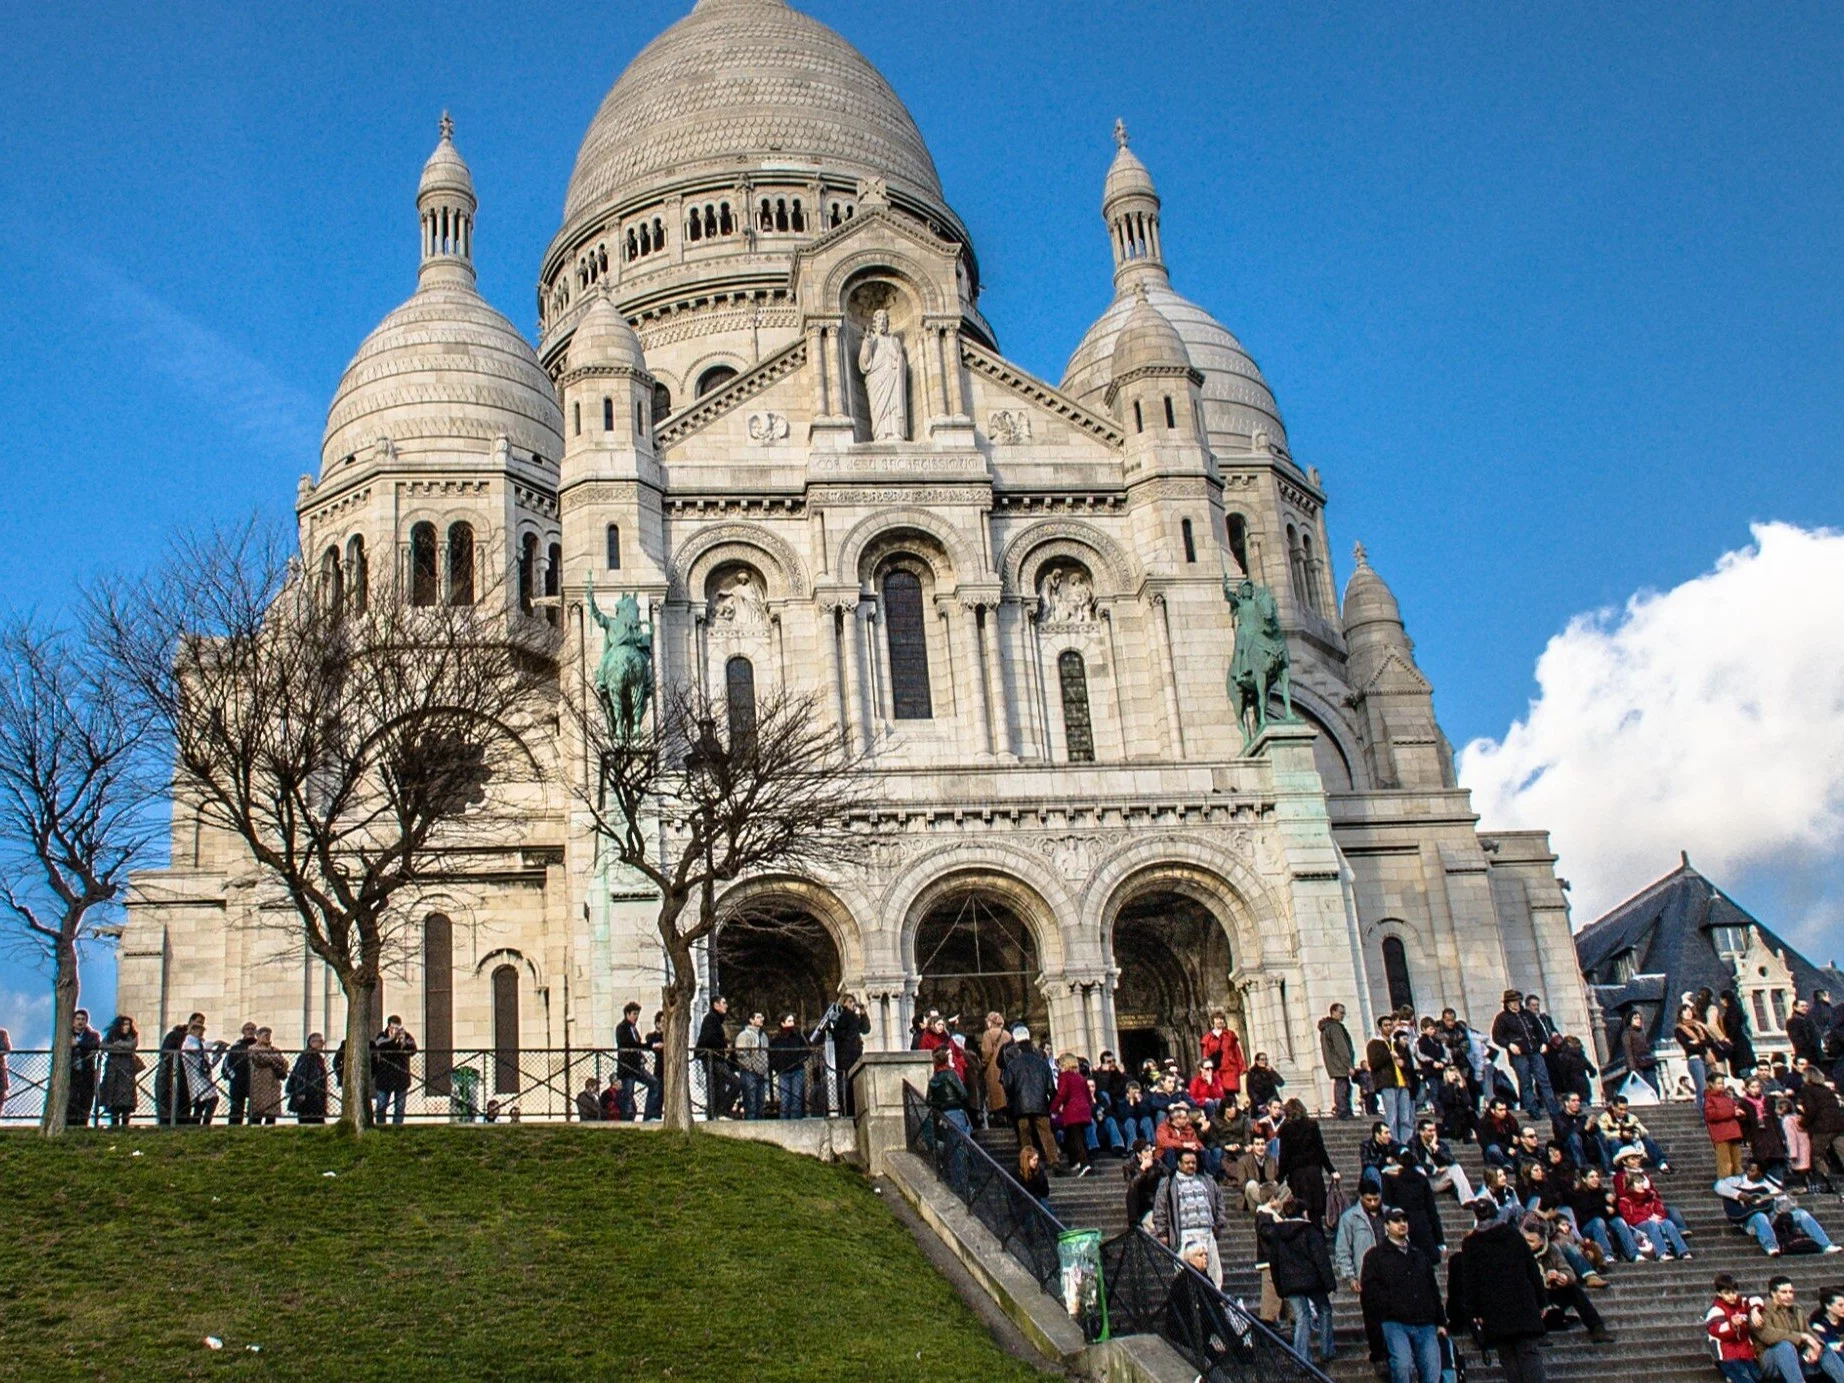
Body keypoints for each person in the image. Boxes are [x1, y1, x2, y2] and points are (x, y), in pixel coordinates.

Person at [1456, 1199, 1549, 1383]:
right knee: (1529, 1353)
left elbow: (1469, 1281)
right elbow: (1532, 1269)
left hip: (1494, 1308)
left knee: (1507, 1356)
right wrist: (1542, 1299)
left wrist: (1474, 1311)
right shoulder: (1513, 1235)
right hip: (1522, 1303)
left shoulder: (1471, 1243)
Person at [1361, 1205, 1444, 1383]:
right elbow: (1369, 1297)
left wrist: (1441, 1321)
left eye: (1404, 1220)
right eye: (1396, 1221)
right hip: (1394, 1321)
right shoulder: (1375, 1257)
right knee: (1402, 1366)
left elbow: (1432, 1288)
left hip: (1425, 1320)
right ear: (1386, 1225)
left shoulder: (1419, 1255)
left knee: (1432, 1370)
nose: (1402, 1224)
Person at [1262, 1193, 1337, 1365]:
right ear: (1303, 1213)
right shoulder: (1310, 1231)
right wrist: (1329, 1282)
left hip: (1290, 1282)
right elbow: (1321, 1258)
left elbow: (1274, 1262)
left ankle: (1301, 1359)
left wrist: (1280, 1287)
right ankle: (1327, 1350)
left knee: (1302, 1316)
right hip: (1313, 1280)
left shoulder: (1276, 1233)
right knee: (1324, 1310)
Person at [1716, 1160, 1844, 1256]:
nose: (1749, 1173)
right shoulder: (1738, 1181)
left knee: (1801, 1213)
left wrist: (1786, 1202)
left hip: (1771, 1217)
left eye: (1753, 1171)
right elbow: (1719, 1185)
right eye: (1748, 1170)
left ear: (1761, 1173)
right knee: (1760, 1216)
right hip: (1747, 1220)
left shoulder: (1771, 1185)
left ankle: (1825, 1245)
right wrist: (1741, 1196)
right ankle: (1771, 1246)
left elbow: (1781, 1207)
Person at [1521, 1215, 1613, 1344]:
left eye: (1531, 1242)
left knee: (1574, 1289)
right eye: (1525, 1240)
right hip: (1533, 1298)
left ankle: (1597, 1328)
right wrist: (1542, 1280)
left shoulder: (1552, 1250)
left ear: (1541, 1241)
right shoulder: (1520, 1253)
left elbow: (1567, 1271)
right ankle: (1537, 1334)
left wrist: (1562, 1277)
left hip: (1552, 1293)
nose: (1527, 1245)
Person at [1152, 1147, 1228, 1287]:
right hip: (1184, 1235)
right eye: (1187, 1163)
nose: (1191, 1165)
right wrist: (1162, 1232)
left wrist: (1219, 1223)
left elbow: (1219, 1202)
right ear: (1179, 1164)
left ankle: (1213, 1304)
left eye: (1193, 1162)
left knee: (1214, 1274)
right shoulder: (1169, 1183)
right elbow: (1160, 1209)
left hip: (1207, 1233)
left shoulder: (1207, 1180)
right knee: (1183, 1274)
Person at [1335, 1174, 1389, 1371]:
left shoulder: (1390, 1214)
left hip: (1391, 1272)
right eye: (1369, 1200)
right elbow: (1343, 1250)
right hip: (1368, 1275)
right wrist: (1350, 1276)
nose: (1373, 1203)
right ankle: (1379, 1356)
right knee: (1373, 1319)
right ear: (1361, 1198)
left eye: (1376, 1199)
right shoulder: (1350, 1217)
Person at [1755, 1275, 1844, 1383]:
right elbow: (1768, 1335)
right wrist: (1802, 1337)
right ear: (1773, 1293)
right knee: (1784, 1346)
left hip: (1797, 1355)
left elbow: (1809, 1331)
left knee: (1824, 1348)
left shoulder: (1797, 1309)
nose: (1789, 1296)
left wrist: (1816, 1345)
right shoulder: (1761, 1310)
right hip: (1771, 1360)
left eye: (1791, 1292)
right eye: (1784, 1292)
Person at [1002, 1027, 1061, 1174]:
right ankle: (1054, 1162)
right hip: (1040, 1104)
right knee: (1046, 1134)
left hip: (1021, 1106)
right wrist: (1050, 1102)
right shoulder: (1042, 1063)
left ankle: (1028, 1165)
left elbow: (1007, 1085)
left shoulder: (1013, 1064)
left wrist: (1013, 1099)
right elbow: (1051, 1087)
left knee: (1025, 1136)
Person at [1493, 989, 1556, 1119]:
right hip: (1519, 1054)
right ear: (1507, 1003)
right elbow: (1497, 1036)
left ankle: (1553, 1110)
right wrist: (1509, 1044)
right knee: (1525, 1082)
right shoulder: (1502, 1018)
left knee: (1544, 1080)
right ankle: (1533, 1111)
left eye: (1517, 1001)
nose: (1516, 1004)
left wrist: (1543, 1042)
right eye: (1512, 1002)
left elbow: (1540, 1030)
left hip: (1535, 1051)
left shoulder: (1527, 1014)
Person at [1276, 1097, 1337, 1226]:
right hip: (1314, 1172)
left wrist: (1279, 1178)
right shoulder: (1312, 1125)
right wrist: (1331, 1170)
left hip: (1297, 1175)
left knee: (1301, 1208)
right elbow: (1321, 1150)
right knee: (1315, 1210)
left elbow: (1284, 1156)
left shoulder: (1285, 1129)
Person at [1567, 1164, 1642, 1262]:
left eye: (1597, 1176)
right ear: (1584, 1179)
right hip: (1588, 1227)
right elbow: (1588, 1214)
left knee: (1619, 1221)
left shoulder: (1603, 1192)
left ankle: (1634, 1254)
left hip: (1604, 1223)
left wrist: (1614, 1203)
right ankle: (1606, 1255)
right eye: (1591, 1177)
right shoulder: (1579, 1195)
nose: (1595, 1179)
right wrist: (1604, 1209)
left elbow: (1614, 1213)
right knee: (1598, 1222)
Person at [1381, 1146, 1444, 1263]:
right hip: (1423, 1225)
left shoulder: (1389, 1178)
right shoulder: (1421, 1179)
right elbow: (1432, 1211)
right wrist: (1440, 1241)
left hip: (1402, 1222)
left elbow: (1387, 1202)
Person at [1614, 1167, 1690, 1258]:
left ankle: (1683, 1251)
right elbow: (1629, 1218)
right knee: (1651, 1225)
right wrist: (1648, 1218)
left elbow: (1661, 1211)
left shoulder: (1651, 1196)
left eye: (1642, 1181)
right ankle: (1662, 1252)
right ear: (1631, 1185)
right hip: (1638, 1225)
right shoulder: (1625, 1200)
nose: (1641, 1184)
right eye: (1638, 1182)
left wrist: (1658, 1216)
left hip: (1654, 1220)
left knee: (1668, 1222)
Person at [1707, 1273, 1766, 1383]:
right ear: (1719, 1293)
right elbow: (1716, 1330)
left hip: (1746, 1353)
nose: (1732, 1296)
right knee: (1745, 1379)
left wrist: (1754, 1310)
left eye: (1734, 1292)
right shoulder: (1716, 1309)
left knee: (1758, 1377)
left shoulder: (1743, 1303)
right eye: (1727, 1293)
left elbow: (1757, 1300)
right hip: (1726, 1355)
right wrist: (1732, 1324)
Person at [1369, 1016, 1415, 1147]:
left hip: (1402, 1083)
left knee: (1405, 1117)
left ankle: (1406, 1143)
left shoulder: (1397, 1043)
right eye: (1386, 1025)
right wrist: (1389, 1055)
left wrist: (1403, 1063)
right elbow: (1374, 1063)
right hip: (1387, 1083)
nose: (1389, 1027)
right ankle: (1393, 1143)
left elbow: (1407, 1061)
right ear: (1380, 1027)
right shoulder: (1374, 1044)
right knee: (1392, 1116)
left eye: (1390, 1025)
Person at [1408, 1117, 1476, 1203]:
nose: (1432, 1133)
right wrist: (1434, 1169)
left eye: (1434, 1130)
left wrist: (1437, 1149)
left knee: (1456, 1168)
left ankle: (1468, 1200)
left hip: (1438, 1180)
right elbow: (1414, 1161)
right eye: (1429, 1131)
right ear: (1421, 1132)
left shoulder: (1440, 1144)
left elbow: (1451, 1160)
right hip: (1423, 1179)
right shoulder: (1413, 1143)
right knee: (1418, 1169)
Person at [825, 995, 870, 1117]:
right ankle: (848, 1110)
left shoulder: (853, 1017)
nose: (852, 1004)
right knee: (847, 1083)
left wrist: (863, 1014)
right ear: (843, 1003)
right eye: (850, 1002)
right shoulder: (844, 1016)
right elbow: (841, 1033)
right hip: (846, 1055)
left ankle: (851, 1109)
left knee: (851, 1083)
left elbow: (866, 1029)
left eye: (853, 1002)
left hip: (853, 1053)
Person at [1597, 1094, 1670, 1171]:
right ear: (1613, 1107)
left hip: (1630, 1140)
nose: (1623, 1112)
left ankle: (1661, 1163)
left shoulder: (1631, 1117)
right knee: (1616, 1142)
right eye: (1620, 1109)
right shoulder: (1604, 1118)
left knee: (1647, 1139)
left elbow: (1644, 1131)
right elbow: (1603, 1134)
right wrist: (1620, 1134)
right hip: (1614, 1143)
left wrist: (1635, 1133)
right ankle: (1619, 1167)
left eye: (1626, 1109)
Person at [1049, 1054, 1094, 1175]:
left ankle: (1085, 1164)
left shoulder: (1064, 1076)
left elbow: (1062, 1093)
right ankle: (1075, 1161)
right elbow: (1088, 1096)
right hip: (1084, 1110)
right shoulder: (1080, 1077)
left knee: (1076, 1138)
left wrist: (1053, 1108)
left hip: (1072, 1111)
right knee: (1073, 1136)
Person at [615, 1002, 660, 1121]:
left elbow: (636, 1045)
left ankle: (649, 1115)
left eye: (637, 1014)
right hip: (627, 1067)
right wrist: (650, 1046)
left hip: (636, 1066)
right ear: (627, 1014)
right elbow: (630, 1044)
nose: (636, 1017)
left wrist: (641, 1053)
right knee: (628, 1095)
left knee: (654, 1083)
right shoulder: (622, 1028)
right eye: (634, 1014)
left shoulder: (633, 1028)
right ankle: (627, 1121)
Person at [369, 1016, 416, 1126]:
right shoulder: (382, 1036)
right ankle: (381, 1126)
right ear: (389, 1027)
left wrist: (403, 1041)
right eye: (393, 1027)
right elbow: (379, 1046)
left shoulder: (406, 1036)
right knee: (381, 1106)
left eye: (398, 1027)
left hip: (401, 1077)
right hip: (384, 1077)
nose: (396, 1030)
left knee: (400, 1106)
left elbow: (413, 1049)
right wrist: (391, 1039)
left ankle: (397, 1127)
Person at [97, 1015, 142, 1127]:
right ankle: (114, 1125)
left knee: (127, 1101)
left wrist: (117, 1045)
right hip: (113, 1072)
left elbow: (132, 1046)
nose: (126, 1027)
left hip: (127, 1071)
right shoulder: (111, 1036)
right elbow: (102, 1046)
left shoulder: (133, 1036)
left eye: (128, 1024)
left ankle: (125, 1125)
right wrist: (119, 1047)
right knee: (113, 1101)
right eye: (124, 1024)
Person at [61, 1008, 103, 1128]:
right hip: (70, 1073)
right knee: (71, 1099)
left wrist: (78, 1044)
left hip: (87, 1073)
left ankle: (83, 1125)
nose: (80, 1022)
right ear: (73, 1021)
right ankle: (69, 1124)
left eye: (83, 1019)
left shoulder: (93, 1035)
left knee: (86, 1100)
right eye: (78, 1019)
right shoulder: (66, 1035)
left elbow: (94, 1045)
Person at [1707, 1071, 1750, 1179]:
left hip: (1733, 1133)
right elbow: (1711, 1115)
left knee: (1737, 1162)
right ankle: (1726, 1184)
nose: (1722, 1085)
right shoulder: (1709, 1099)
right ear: (1711, 1084)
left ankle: (1738, 1182)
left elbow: (1735, 1109)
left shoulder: (1727, 1098)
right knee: (1725, 1163)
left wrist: (1741, 1113)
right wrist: (1731, 1112)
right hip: (1721, 1135)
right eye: (1718, 1083)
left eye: (1722, 1083)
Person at [768, 1013, 808, 1119]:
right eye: (789, 1021)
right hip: (783, 1072)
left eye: (793, 1021)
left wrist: (799, 1060)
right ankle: (784, 1122)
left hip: (797, 1070)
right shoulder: (776, 1040)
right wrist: (778, 1067)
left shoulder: (798, 1037)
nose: (792, 1024)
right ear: (782, 1023)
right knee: (785, 1100)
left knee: (797, 1098)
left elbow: (806, 1051)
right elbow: (771, 1056)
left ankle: (796, 1122)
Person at [1320, 1002, 1357, 1118]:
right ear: (1333, 1012)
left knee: (1343, 1086)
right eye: (1341, 1013)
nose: (1342, 1015)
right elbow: (1341, 1047)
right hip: (1340, 1064)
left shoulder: (1327, 1028)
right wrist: (1349, 1065)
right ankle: (1343, 1111)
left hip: (1335, 1063)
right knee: (1343, 1087)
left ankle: (1344, 1109)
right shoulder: (1335, 1027)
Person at [246, 1027, 287, 1126]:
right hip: (259, 1084)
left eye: (269, 1035)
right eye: (265, 1035)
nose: (268, 1037)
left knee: (271, 1113)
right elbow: (261, 1059)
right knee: (257, 1112)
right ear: (258, 1036)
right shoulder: (252, 1048)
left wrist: (274, 1059)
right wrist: (275, 1058)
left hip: (273, 1084)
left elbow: (284, 1062)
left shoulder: (274, 1049)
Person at [285, 1034, 330, 1124]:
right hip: (308, 1096)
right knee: (308, 1121)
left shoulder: (317, 1057)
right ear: (312, 1043)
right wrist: (301, 1092)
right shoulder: (307, 1057)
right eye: (320, 1041)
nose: (323, 1044)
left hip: (315, 1096)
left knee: (317, 1122)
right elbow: (301, 1076)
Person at [1677, 1002, 1715, 1105]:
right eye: (1685, 1011)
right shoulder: (1680, 1029)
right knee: (1701, 1088)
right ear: (1681, 1014)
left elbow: (1710, 1041)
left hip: (1706, 1058)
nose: (1688, 1012)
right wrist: (1701, 1044)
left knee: (1711, 1087)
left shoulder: (1699, 1026)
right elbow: (1688, 1046)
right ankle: (1703, 1112)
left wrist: (1698, 1042)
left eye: (1689, 1010)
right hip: (1695, 1059)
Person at [734, 1011, 769, 1120]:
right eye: (758, 1017)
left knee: (760, 1102)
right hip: (749, 1072)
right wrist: (750, 1066)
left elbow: (765, 1053)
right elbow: (740, 1054)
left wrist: (764, 1066)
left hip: (761, 1072)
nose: (761, 1019)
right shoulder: (744, 1035)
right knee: (750, 1103)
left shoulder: (763, 1036)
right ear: (751, 1020)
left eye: (762, 1017)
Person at [1201, 1012, 1245, 1098]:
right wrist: (1206, 1070)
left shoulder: (1230, 1035)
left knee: (1231, 1094)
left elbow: (1237, 1052)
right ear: (1212, 1021)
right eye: (1217, 1019)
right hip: (1216, 1070)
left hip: (1230, 1069)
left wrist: (1241, 1067)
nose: (1220, 1021)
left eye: (1221, 1019)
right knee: (1219, 1094)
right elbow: (1206, 1055)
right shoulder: (1208, 1038)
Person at [222, 1021, 258, 1125]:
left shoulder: (259, 1046)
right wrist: (233, 1077)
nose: (250, 1031)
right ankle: (233, 1129)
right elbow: (226, 1065)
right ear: (243, 1032)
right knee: (236, 1108)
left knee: (255, 1108)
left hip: (255, 1081)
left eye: (252, 1029)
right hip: (238, 1082)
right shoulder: (235, 1048)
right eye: (248, 1029)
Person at [979, 1012, 1011, 1129]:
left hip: (994, 1067)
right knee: (1005, 1094)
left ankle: (999, 1119)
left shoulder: (988, 1034)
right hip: (1007, 1066)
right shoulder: (1007, 1034)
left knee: (995, 1094)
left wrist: (983, 1064)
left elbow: (986, 1052)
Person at [1718, 989, 1757, 1075]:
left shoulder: (1731, 1012)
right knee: (1744, 1070)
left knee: (1743, 1069)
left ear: (1725, 1000)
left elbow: (1733, 1026)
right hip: (1741, 1041)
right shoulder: (1737, 1008)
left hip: (1737, 1043)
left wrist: (1729, 1039)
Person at [1622, 1010, 1661, 1095]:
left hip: (1647, 1062)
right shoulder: (1627, 1033)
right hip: (1638, 1064)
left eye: (1639, 1018)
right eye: (1635, 1018)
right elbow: (1628, 1050)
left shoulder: (1641, 1032)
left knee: (1653, 1086)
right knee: (1644, 1086)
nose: (1638, 1020)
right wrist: (1632, 1067)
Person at [1810, 1287, 1844, 1377]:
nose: (1843, 1308)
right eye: (1840, 1305)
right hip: (1830, 1359)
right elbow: (1825, 1345)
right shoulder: (1818, 1323)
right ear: (1828, 1306)